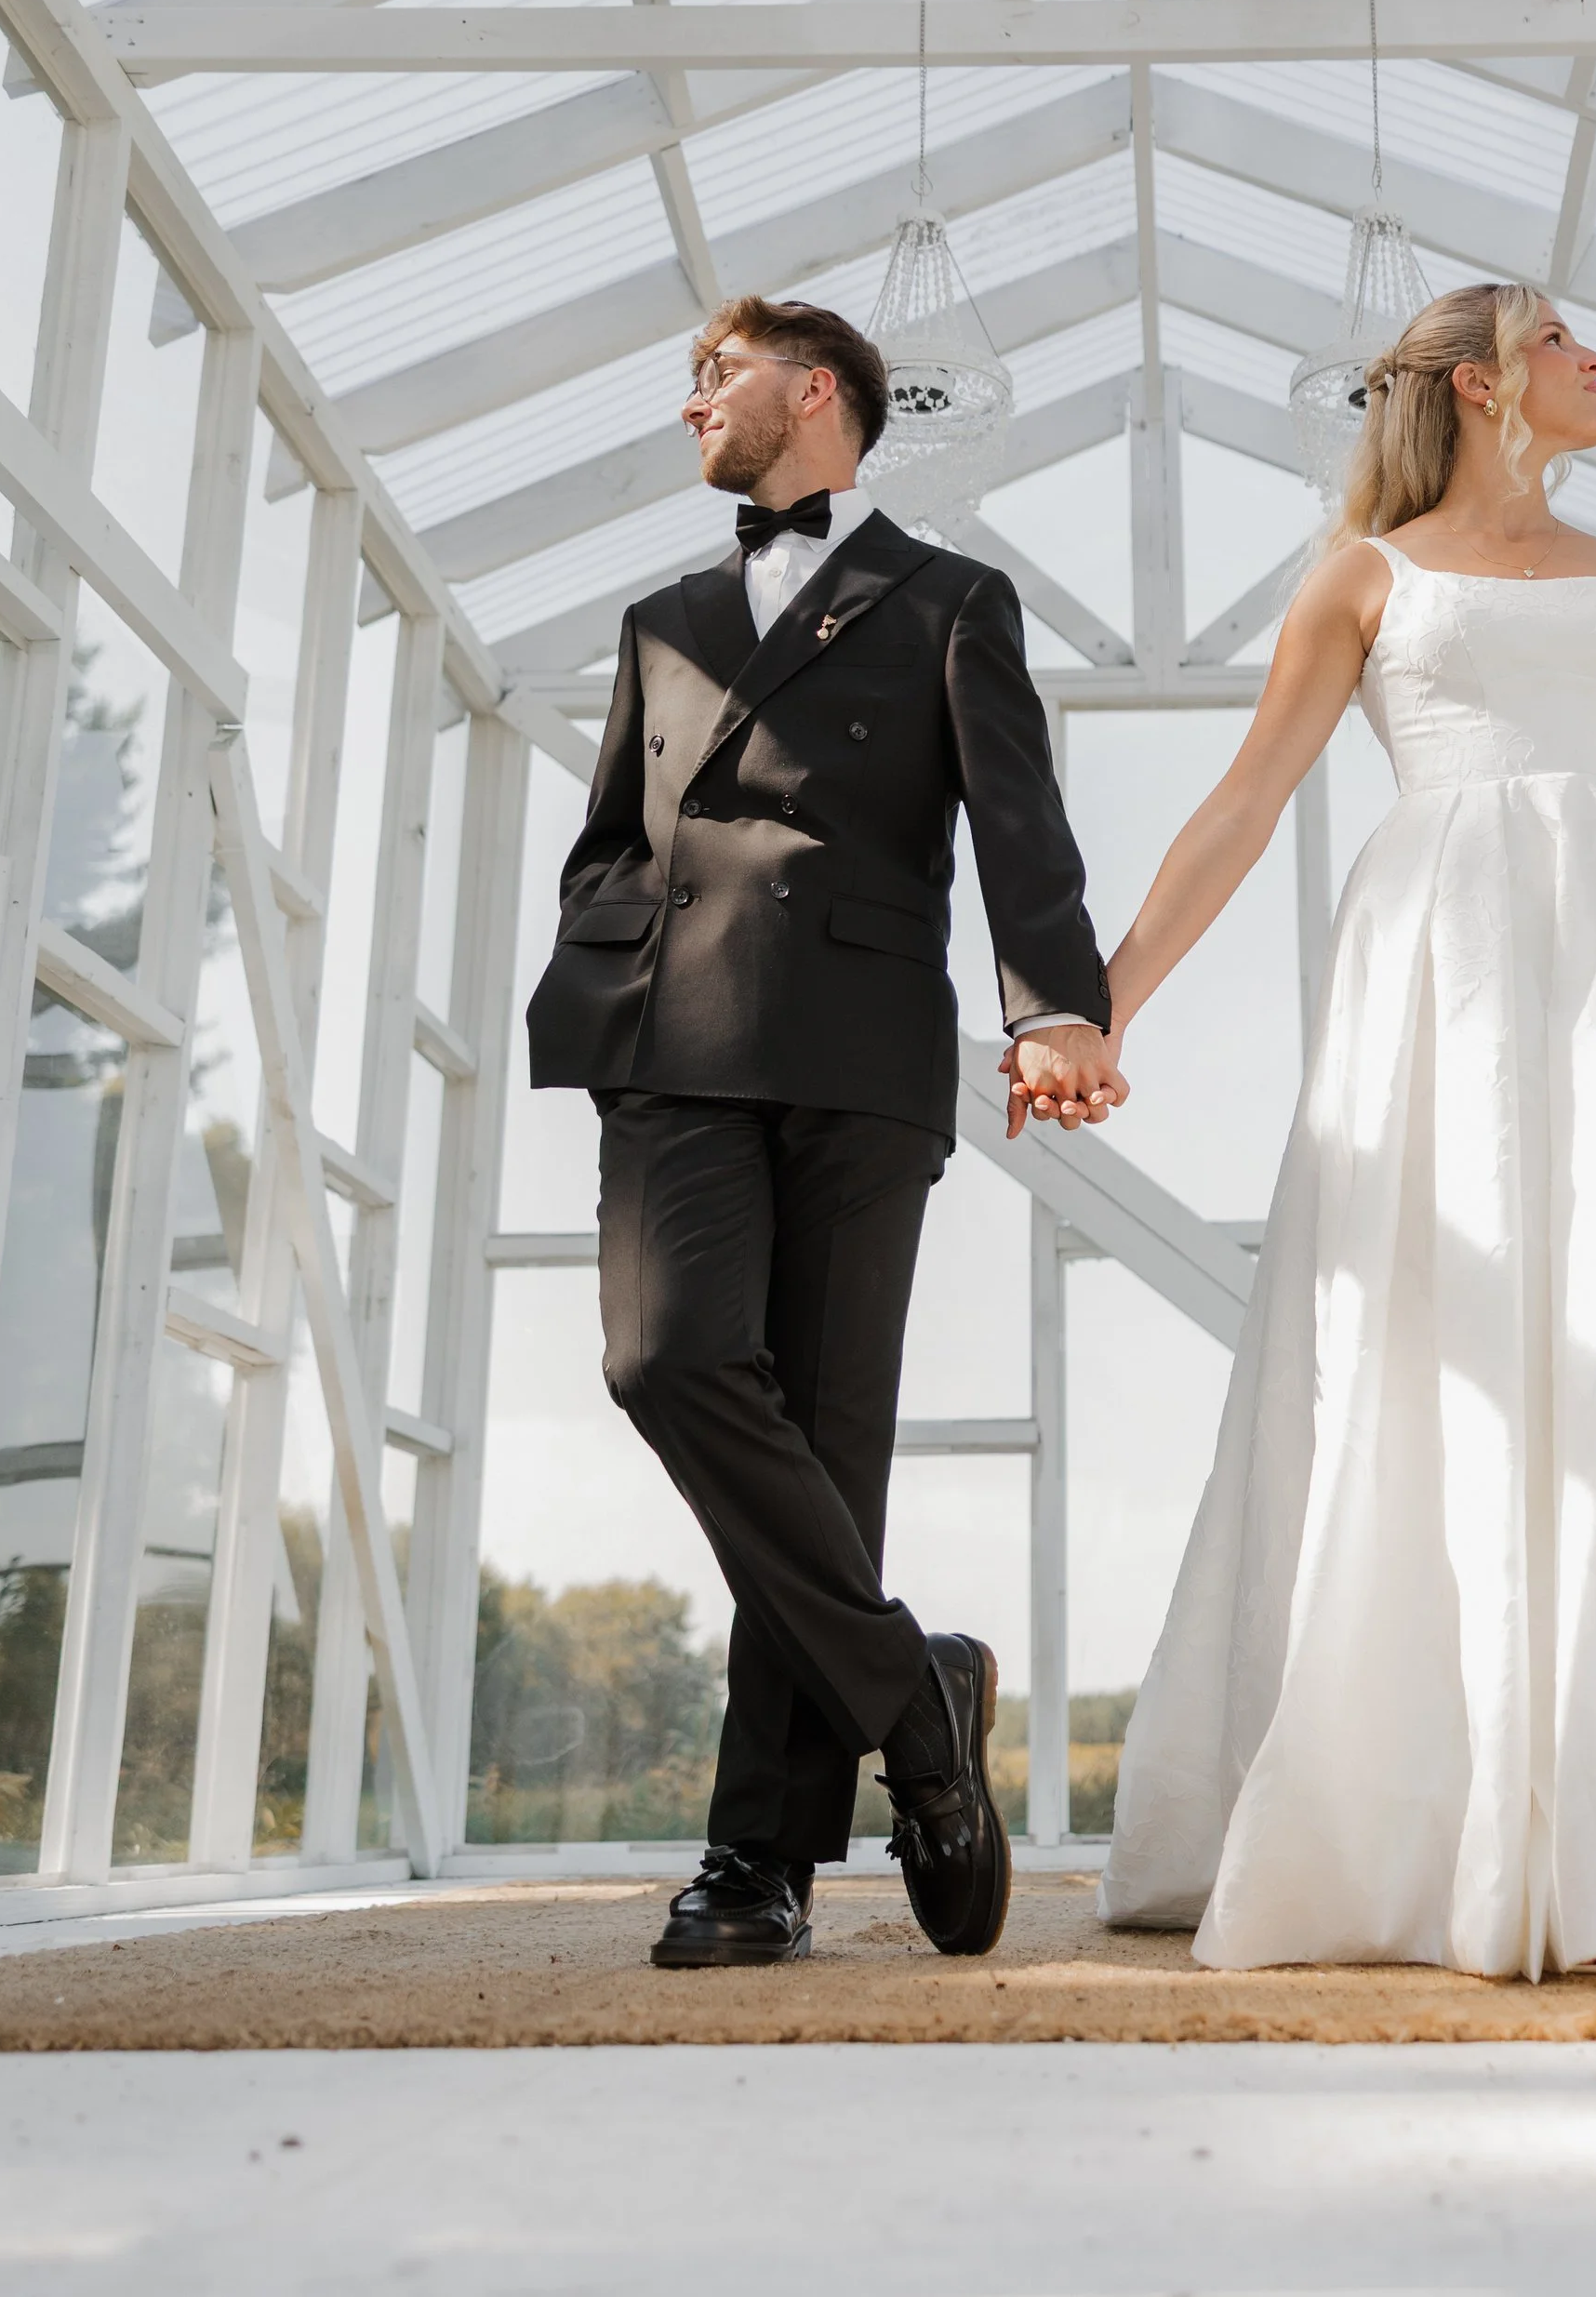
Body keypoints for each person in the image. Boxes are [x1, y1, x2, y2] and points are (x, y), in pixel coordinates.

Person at [1068, 282, 1596, 1977]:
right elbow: (1244, 803)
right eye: (1566, 341)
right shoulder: (1364, 579)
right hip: (1433, 977)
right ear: (1479, 381)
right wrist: (1109, 1002)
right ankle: (1414, 1811)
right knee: (1421, 1344)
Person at [526, 297, 1121, 1968]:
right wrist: (603, 976)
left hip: (858, 1046)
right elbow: (611, 838)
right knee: (666, 1357)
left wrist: (1053, 1004)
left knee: (830, 1437)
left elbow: (1018, 823)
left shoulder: (950, 598)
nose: (692, 406)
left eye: (715, 376)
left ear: (814, 392)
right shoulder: (662, 619)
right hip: (672, 1043)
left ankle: (757, 1860)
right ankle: (914, 1702)